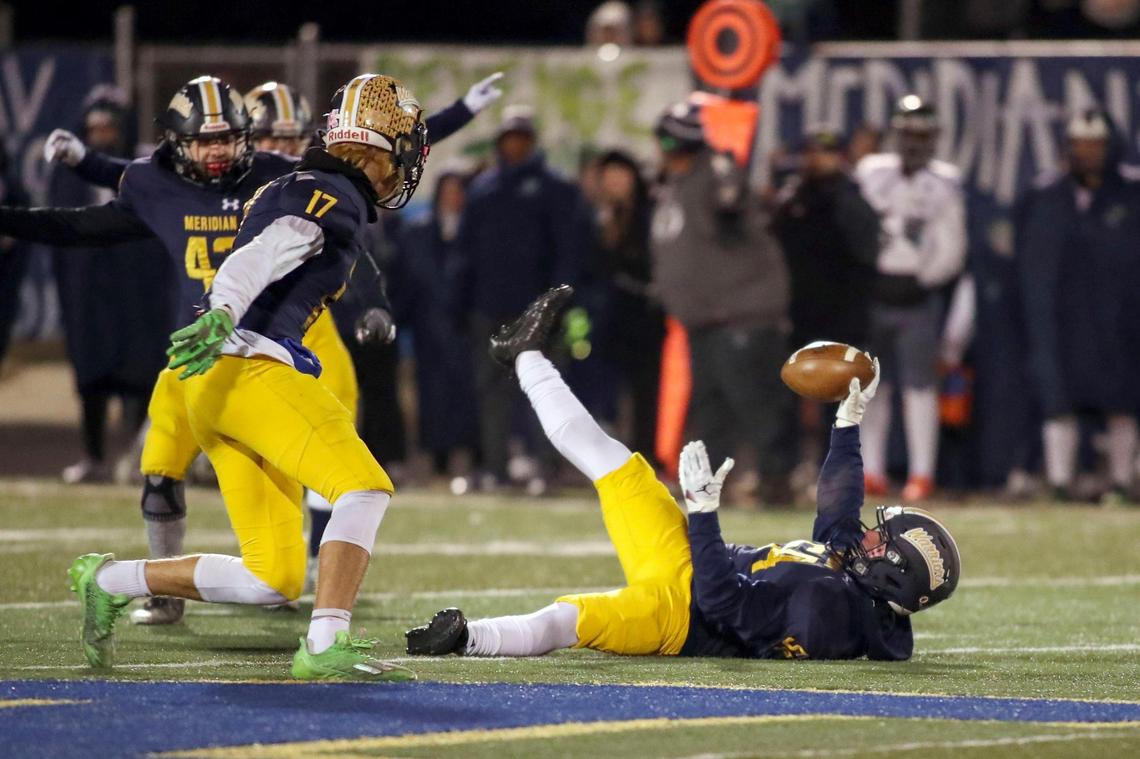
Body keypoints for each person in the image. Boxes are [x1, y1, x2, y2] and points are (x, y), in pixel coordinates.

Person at [19, 72, 498, 625]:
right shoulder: (327, 192)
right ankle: (327, 642)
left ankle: (108, 580)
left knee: (273, 578)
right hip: (249, 365)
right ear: (376, 149)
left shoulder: (292, 182)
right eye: (404, 149)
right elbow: (262, 254)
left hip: (214, 382)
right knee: (364, 488)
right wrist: (222, 309)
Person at [406, 286, 960, 661]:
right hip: (691, 560)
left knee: (570, 618)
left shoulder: (826, 610)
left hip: (681, 616)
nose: (867, 532)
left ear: (891, 573)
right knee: (616, 463)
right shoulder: (855, 581)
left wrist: (703, 514)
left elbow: (723, 603)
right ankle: (525, 354)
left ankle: (465, 639)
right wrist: (846, 426)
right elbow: (837, 508)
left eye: (879, 539)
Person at [650, 96, 795, 505]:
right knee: (710, 407)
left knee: (754, 401)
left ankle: (777, 479)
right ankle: (706, 484)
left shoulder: (713, 173)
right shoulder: (676, 183)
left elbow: (731, 205)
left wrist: (728, 191)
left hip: (740, 313)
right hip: (707, 318)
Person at [451, 104, 589, 490]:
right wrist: (460, 303)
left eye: (521, 138)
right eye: (509, 137)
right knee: (491, 393)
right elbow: (466, 252)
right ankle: (496, 468)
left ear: (530, 141)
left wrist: (558, 303)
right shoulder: (483, 189)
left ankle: (545, 469)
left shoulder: (555, 188)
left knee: (545, 392)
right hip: (489, 308)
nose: (514, 145)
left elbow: (568, 251)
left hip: (538, 311)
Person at [46, 87, 173, 486]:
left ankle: (141, 458)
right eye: (95, 126)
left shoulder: (143, 167)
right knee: (91, 373)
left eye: (109, 125)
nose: (102, 133)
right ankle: (93, 457)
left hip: (136, 287)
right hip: (88, 289)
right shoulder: (68, 174)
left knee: (141, 372)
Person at [1018, 108, 1140, 504]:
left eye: (1095, 144)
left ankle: (1121, 483)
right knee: (1058, 399)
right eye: (1080, 144)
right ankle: (1058, 483)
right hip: (1061, 317)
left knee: (1121, 399)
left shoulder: (1130, 193)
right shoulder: (1046, 195)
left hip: (1119, 315)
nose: (1087, 152)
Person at [855, 96, 967, 502]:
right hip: (873, 291)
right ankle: (873, 471)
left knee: (920, 387)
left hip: (916, 296)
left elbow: (952, 246)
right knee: (870, 388)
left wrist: (925, 280)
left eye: (922, 135)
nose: (914, 143)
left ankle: (922, 473)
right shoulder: (872, 172)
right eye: (908, 134)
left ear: (934, 138)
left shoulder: (944, 182)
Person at [772, 128, 880, 437]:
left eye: (826, 153)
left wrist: (855, 315)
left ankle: (832, 471)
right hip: (799, 312)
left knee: (838, 403)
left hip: (840, 316)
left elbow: (865, 260)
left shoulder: (851, 199)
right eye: (813, 153)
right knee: (789, 396)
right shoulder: (793, 197)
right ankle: (790, 471)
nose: (819, 160)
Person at [389, 169, 481, 478]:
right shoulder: (418, 232)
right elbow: (407, 280)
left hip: (465, 327)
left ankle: (472, 456)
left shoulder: (474, 230)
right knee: (432, 393)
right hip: (427, 326)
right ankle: (438, 457)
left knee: (467, 393)